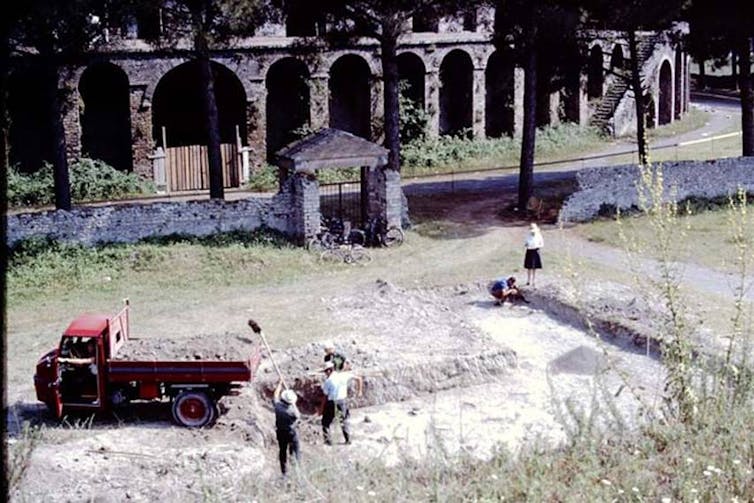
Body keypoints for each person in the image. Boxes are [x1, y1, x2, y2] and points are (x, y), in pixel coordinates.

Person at [321, 361, 363, 445]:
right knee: (343, 421)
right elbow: (359, 378)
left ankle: (328, 441)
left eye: (326, 371)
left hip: (332, 402)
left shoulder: (328, 381)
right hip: (342, 402)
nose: (325, 373)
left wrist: (321, 408)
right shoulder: (343, 375)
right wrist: (360, 391)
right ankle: (348, 440)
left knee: (325, 422)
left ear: (329, 370)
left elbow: (325, 396)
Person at [273, 379, 300, 477]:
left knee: (282, 451)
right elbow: (298, 417)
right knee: (295, 452)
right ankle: (297, 472)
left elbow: (275, 395)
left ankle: (284, 473)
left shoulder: (277, 407)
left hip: (280, 432)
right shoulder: (293, 412)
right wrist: (294, 404)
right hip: (291, 433)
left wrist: (279, 384)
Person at [524, 223, 544, 287]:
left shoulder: (539, 236)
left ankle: (534, 280)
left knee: (534, 267)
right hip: (529, 251)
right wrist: (526, 244)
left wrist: (537, 246)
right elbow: (526, 243)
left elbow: (542, 244)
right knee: (529, 267)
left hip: (535, 251)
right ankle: (528, 280)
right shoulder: (528, 235)